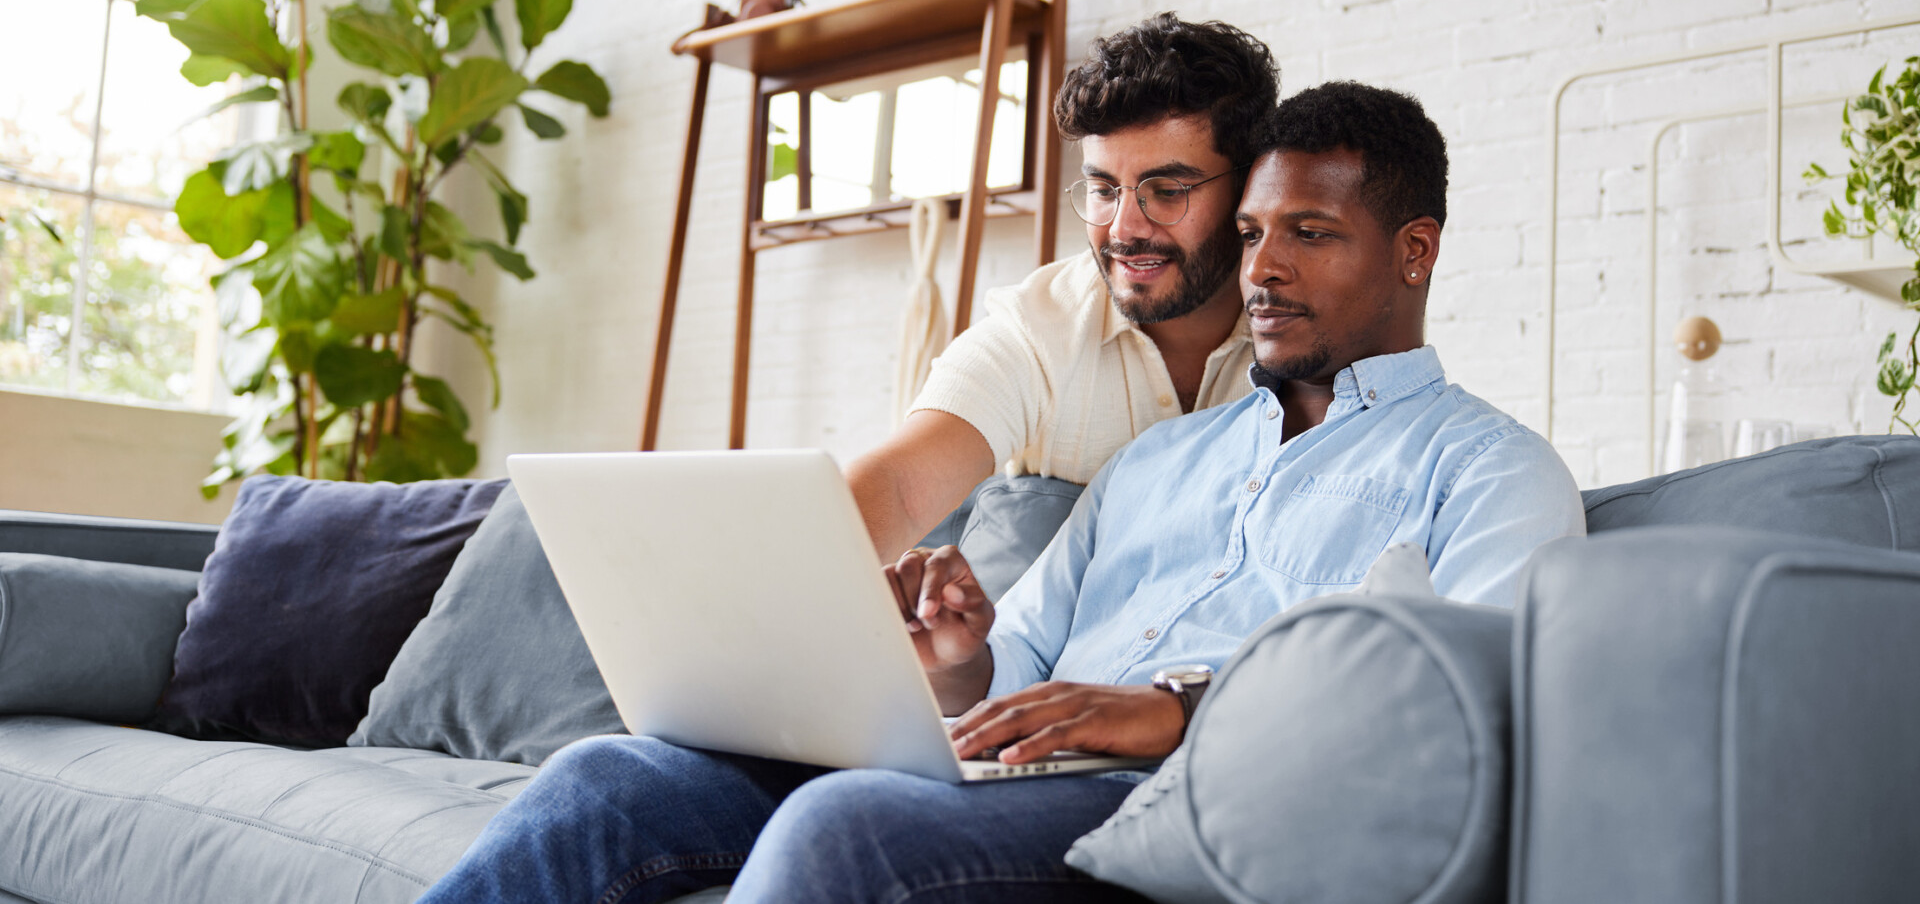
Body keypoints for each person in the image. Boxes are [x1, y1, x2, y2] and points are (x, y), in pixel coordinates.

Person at [417, 81, 1585, 904]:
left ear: (1416, 251)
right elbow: (1006, 678)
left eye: (1311, 235)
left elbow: (1474, 701)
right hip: (1006, 768)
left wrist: (1183, 708)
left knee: (846, 831)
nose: (1266, 269)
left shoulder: (1486, 468)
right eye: (1254, 233)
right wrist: (958, 653)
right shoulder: (1154, 465)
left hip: (1175, 805)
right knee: (612, 777)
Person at [851, 12, 1277, 559]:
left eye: (1167, 190)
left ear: (1250, 189)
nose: (1123, 229)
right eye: (1103, 189)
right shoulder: (1036, 330)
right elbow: (901, 488)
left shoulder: (1302, 330)